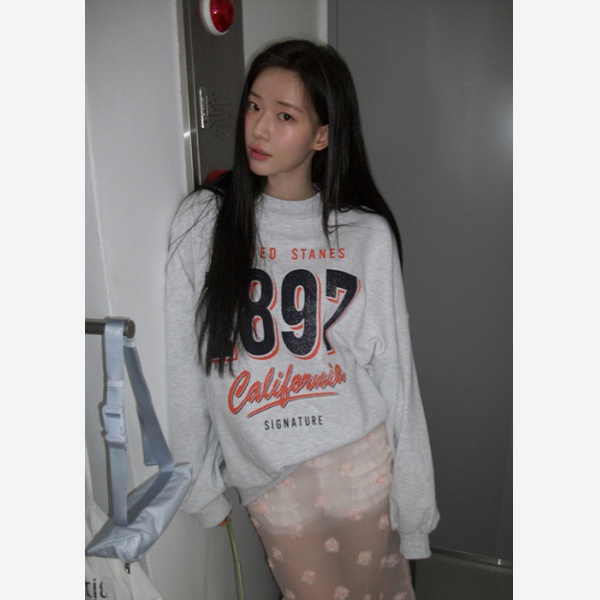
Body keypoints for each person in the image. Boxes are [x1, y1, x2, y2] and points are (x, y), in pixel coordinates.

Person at [166, 39, 439, 600]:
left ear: (323, 135)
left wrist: (416, 509)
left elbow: (396, 377)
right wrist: (197, 484)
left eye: (285, 116)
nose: (260, 128)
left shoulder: (364, 235)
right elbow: (185, 366)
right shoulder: (204, 223)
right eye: (254, 106)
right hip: (272, 480)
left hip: (362, 465)